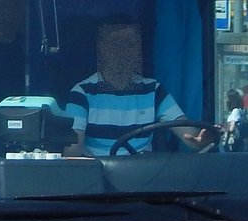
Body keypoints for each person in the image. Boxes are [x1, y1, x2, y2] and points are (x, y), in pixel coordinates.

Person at [66, 21, 207, 156]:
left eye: (130, 44)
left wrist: (202, 140)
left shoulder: (153, 90)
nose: (124, 51)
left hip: (143, 176)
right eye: (116, 44)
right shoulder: (82, 93)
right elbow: (73, 151)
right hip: (97, 175)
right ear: (102, 48)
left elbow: (191, 137)